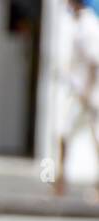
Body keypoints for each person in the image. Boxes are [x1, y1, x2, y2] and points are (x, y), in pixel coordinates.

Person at [58, 0, 99, 198]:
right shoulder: (73, 23)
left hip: (87, 94)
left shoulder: (89, 25)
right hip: (78, 92)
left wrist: (87, 91)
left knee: (93, 137)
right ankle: (59, 181)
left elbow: (94, 61)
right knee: (65, 132)